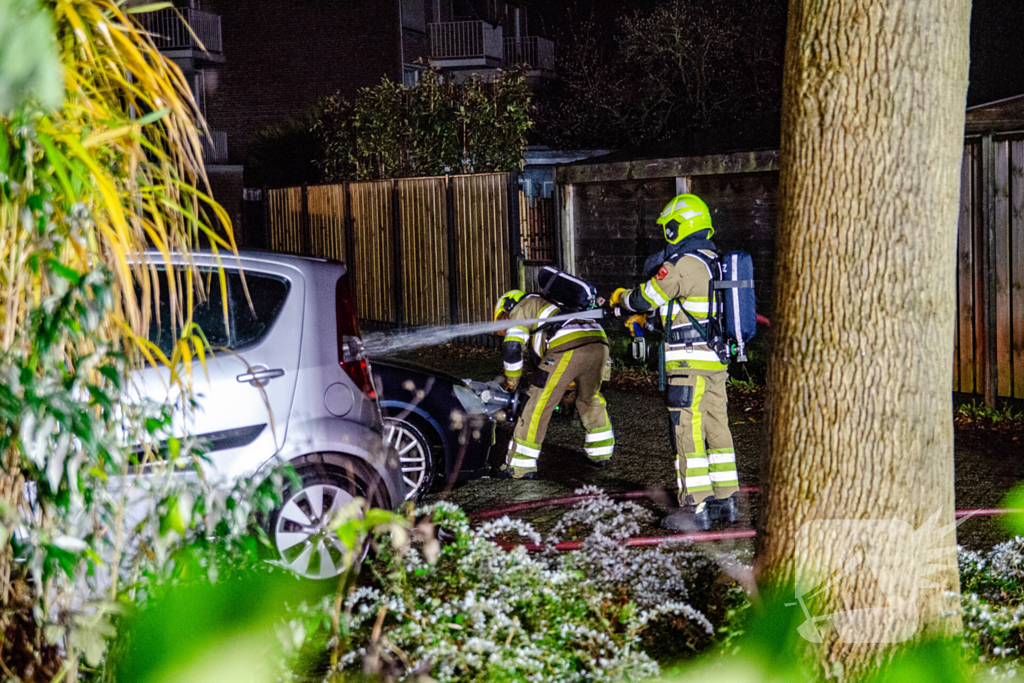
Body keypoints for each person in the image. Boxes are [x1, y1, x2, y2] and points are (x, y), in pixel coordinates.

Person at [610, 193, 739, 530]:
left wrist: (621, 299)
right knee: (717, 427)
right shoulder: (715, 259)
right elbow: (688, 311)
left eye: (669, 227)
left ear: (680, 225)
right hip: (714, 361)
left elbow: (645, 297)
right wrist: (649, 323)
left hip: (688, 365)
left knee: (686, 430)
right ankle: (726, 502)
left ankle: (695, 508)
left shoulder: (683, 263)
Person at [493, 289, 613, 479]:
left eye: (503, 317)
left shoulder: (523, 307)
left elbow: (512, 346)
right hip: (600, 343)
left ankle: (520, 466)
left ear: (508, 305)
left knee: (537, 402)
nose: (504, 323)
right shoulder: (553, 303)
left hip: (567, 345)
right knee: (590, 397)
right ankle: (601, 453)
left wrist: (512, 380)